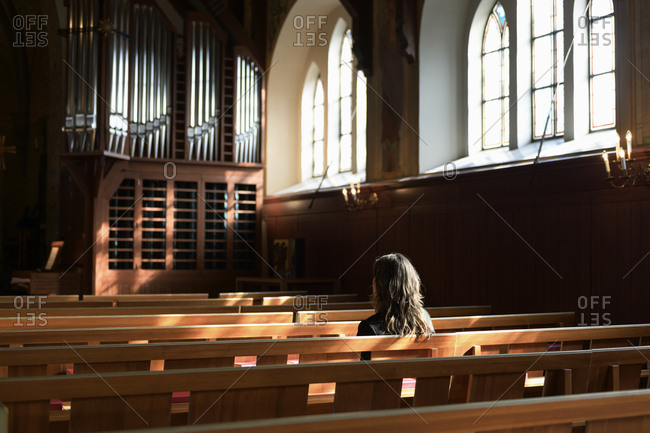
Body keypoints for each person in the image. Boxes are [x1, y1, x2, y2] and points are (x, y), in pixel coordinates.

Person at [357, 253, 434, 359]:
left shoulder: (369, 328)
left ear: (380, 285)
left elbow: (363, 372)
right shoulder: (425, 319)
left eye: (375, 277)